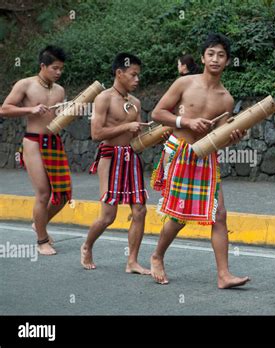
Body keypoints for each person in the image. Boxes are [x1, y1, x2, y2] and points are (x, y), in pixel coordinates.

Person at [149, 33, 250, 289]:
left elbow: (220, 137)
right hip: (179, 149)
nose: (215, 59)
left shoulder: (226, 98)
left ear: (227, 61)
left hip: (206, 156)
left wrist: (234, 137)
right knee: (178, 214)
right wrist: (186, 121)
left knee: (220, 215)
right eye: (211, 54)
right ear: (203, 57)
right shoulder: (184, 83)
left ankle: (224, 275)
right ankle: (157, 255)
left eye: (221, 55)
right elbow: (158, 113)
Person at [81, 53, 150, 274]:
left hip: (131, 157)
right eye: (133, 74)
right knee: (108, 216)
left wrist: (156, 134)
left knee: (140, 210)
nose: (137, 79)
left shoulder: (136, 103)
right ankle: (87, 245)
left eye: (138, 75)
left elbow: (137, 137)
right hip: (110, 157)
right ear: (119, 73)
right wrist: (125, 127)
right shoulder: (103, 98)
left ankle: (132, 261)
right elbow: (96, 133)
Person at [0, 45, 71, 255]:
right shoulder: (25, 84)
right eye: (55, 68)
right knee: (43, 193)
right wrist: (30, 109)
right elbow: (4, 109)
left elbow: (59, 119)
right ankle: (42, 240)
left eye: (61, 69)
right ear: (43, 66)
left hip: (54, 141)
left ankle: (39, 222)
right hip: (33, 142)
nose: (58, 73)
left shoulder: (60, 90)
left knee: (63, 194)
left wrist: (68, 112)